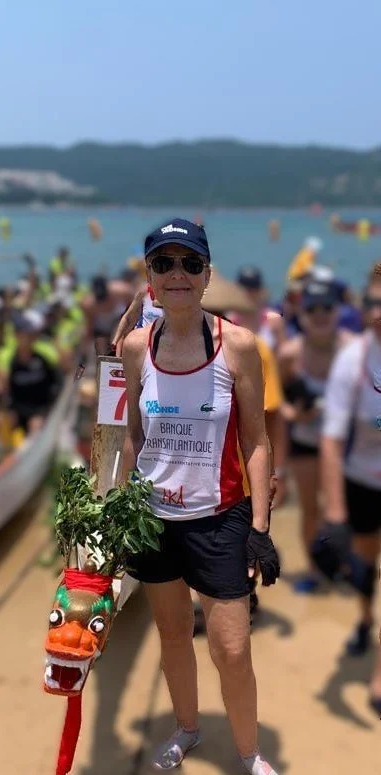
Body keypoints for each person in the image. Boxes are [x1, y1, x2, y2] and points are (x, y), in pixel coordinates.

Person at [120, 219, 280, 774]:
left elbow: (257, 441)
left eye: (190, 263)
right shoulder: (136, 348)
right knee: (171, 635)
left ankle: (249, 752)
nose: (178, 274)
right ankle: (187, 728)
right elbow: (131, 436)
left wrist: (261, 528)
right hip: (153, 518)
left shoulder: (238, 345)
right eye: (164, 263)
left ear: (207, 275)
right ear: (151, 277)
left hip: (219, 516)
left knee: (231, 650)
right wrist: (115, 510)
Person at [318, 261, 381, 715]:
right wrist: (336, 516)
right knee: (365, 565)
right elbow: (332, 440)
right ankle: (363, 618)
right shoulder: (353, 360)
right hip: (362, 482)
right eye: (373, 302)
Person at [278, 280, 353, 593]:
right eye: (312, 309)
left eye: (327, 307)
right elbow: (276, 402)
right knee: (311, 509)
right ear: (302, 314)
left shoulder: (355, 349)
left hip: (347, 446)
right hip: (306, 443)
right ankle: (313, 569)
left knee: (347, 510)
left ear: (338, 311)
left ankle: (346, 566)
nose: (320, 314)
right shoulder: (290, 354)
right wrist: (295, 415)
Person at [233, 267, 285, 352]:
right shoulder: (229, 320)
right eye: (243, 288)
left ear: (259, 290)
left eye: (253, 288)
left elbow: (283, 354)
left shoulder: (274, 321)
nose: (247, 293)